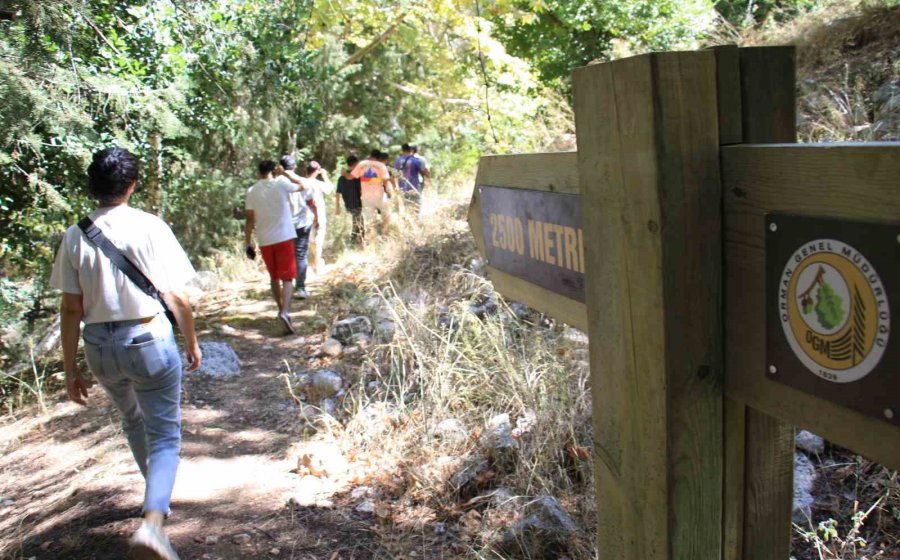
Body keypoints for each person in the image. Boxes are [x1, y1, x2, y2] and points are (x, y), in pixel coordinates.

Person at [50, 147, 202, 560]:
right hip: (148, 339)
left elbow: (70, 308)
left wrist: (70, 369)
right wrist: (190, 341)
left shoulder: (75, 234)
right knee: (166, 432)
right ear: (132, 185)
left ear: (93, 186)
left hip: (100, 346)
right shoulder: (150, 226)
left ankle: (155, 497)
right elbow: (177, 297)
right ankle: (153, 524)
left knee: (133, 419)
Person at [244, 160, 323, 332]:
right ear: (274, 170)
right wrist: (285, 173)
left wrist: (247, 242)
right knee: (288, 278)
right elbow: (303, 186)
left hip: (265, 238)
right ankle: (286, 312)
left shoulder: (252, 191)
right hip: (284, 236)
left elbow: (250, 219)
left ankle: (280, 309)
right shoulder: (281, 183)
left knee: (274, 277)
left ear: (259, 172)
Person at [280, 155, 318, 299]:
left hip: (284, 224)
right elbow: (311, 202)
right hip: (302, 223)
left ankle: (287, 286)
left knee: (287, 255)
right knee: (300, 254)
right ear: (294, 167)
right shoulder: (302, 181)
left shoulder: (277, 183)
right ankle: (300, 287)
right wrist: (317, 217)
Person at [351, 149, 392, 235]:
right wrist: (391, 193)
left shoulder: (362, 164)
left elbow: (353, 176)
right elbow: (386, 182)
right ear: (379, 157)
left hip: (366, 197)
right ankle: (385, 234)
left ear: (370, 155)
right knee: (387, 215)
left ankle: (372, 240)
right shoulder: (381, 166)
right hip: (379, 196)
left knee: (370, 221)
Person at [303, 160, 333, 274]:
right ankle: (316, 264)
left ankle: (316, 262)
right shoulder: (318, 183)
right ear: (316, 171)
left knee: (311, 240)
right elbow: (329, 189)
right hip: (319, 214)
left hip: (306, 216)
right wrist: (325, 175)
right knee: (318, 240)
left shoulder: (302, 182)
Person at [394, 143, 431, 214]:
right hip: (414, 186)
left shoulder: (397, 161)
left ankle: (406, 220)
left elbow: (394, 175)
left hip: (401, 187)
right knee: (416, 204)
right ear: (410, 150)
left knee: (404, 206)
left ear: (402, 150)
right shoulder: (416, 160)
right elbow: (424, 172)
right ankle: (415, 219)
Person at [335, 154, 364, 246]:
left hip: (348, 205)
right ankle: (354, 244)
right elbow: (362, 190)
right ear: (355, 164)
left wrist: (337, 207)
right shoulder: (356, 177)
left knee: (357, 224)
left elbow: (337, 193)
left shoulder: (341, 178)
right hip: (357, 204)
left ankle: (356, 243)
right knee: (359, 225)